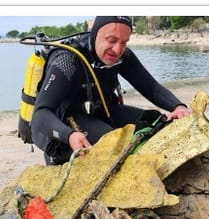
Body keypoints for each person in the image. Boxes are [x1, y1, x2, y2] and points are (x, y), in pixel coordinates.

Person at [31, 15, 192, 165]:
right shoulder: (68, 61)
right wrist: (69, 135)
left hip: (102, 112)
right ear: (96, 34)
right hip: (64, 126)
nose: (117, 50)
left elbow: (151, 87)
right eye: (112, 40)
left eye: (124, 42)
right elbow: (40, 114)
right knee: (114, 146)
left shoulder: (122, 56)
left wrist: (178, 106)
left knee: (157, 122)